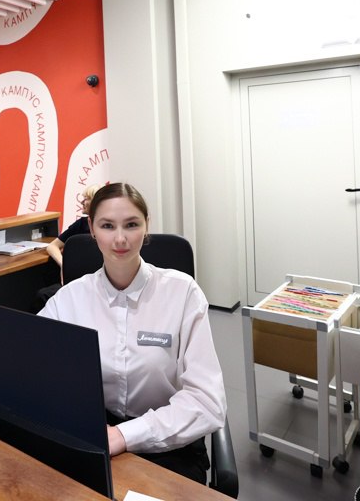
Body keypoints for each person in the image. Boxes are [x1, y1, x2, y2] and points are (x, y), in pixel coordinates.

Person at [38, 182, 226, 485]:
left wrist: (125, 435)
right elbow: (31, 365)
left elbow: (207, 401)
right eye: (107, 226)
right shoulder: (70, 298)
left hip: (169, 440)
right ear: (91, 228)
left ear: (146, 226)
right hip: (95, 435)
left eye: (131, 224)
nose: (120, 239)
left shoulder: (182, 293)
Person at [45, 182, 104, 269]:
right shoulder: (81, 224)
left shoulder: (109, 226)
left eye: (86, 198)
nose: (82, 202)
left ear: (96, 202)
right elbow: (52, 246)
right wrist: (64, 266)